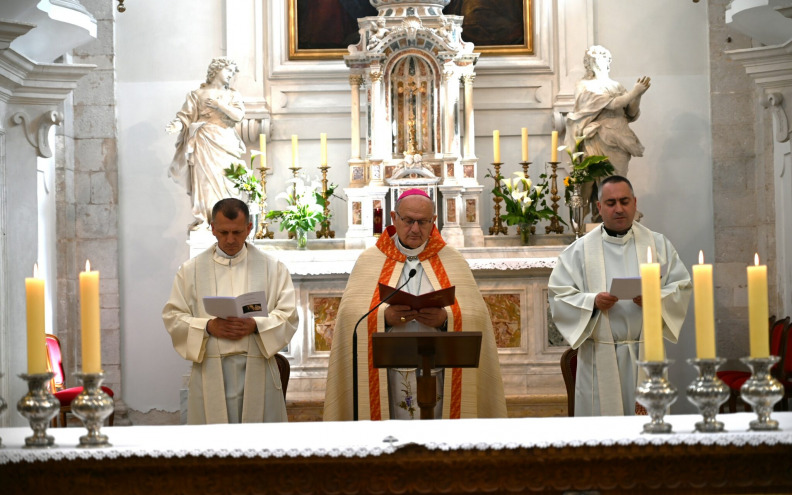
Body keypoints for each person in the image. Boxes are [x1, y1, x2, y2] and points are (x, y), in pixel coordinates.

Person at [324, 189, 506, 421]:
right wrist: (383, 317)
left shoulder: (451, 259)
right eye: (408, 220)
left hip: (441, 369)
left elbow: (477, 316)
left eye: (423, 222)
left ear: (434, 221)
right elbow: (351, 317)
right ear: (394, 218)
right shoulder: (371, 259)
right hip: (386, 373)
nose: (415, 229)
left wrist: (446, 319)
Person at [548, 176, 691, 416]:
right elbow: (559, 295)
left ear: (635, 203)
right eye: (611, 202)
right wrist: (592, 302)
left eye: (624, 201)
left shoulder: (658, 245)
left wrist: (655, 299)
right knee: (604, 440)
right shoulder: (579, 250)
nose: (619, 209)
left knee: (648, 434)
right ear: (599, 207)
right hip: (599, 357)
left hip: (646, 353)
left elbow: (681, 287)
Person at [162, 198, 298, 424]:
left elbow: (289, 315)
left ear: (249, 228)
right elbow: (173, 317)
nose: (231, 240)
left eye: (237, 232)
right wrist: (208, 325)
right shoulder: (191, 270)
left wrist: (255, 325)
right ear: (213, 228)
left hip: (258, 369)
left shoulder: (272, 268)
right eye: (224, 232)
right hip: (211, 370)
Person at [565, 45, 650, 220]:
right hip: (598, 138)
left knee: (618, 178)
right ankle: (594, 217)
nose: (599, 62)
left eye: (603, 58)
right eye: (594, 59)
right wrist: (634, 91)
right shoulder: (584, 85)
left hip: (619, 137)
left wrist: (638, 96)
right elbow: (612, 104)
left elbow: (631, 112)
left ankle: (616, 216)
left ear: (608, 62)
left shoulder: (616, 85)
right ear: (589, 64)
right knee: (594, 181)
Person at [167, 57, 246, 231]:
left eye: (233, 73)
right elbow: (186, 117)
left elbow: (238, 116)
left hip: (225, 142)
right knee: (204, 182)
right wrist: (177, 124)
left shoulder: (232, 95)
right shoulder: (197, 95)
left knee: (227, 181)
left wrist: (220, 105)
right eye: (228, 71)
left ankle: (227, 219)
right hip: (203, 141)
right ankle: (206, 219)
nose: (231, 75)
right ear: (216, 71)